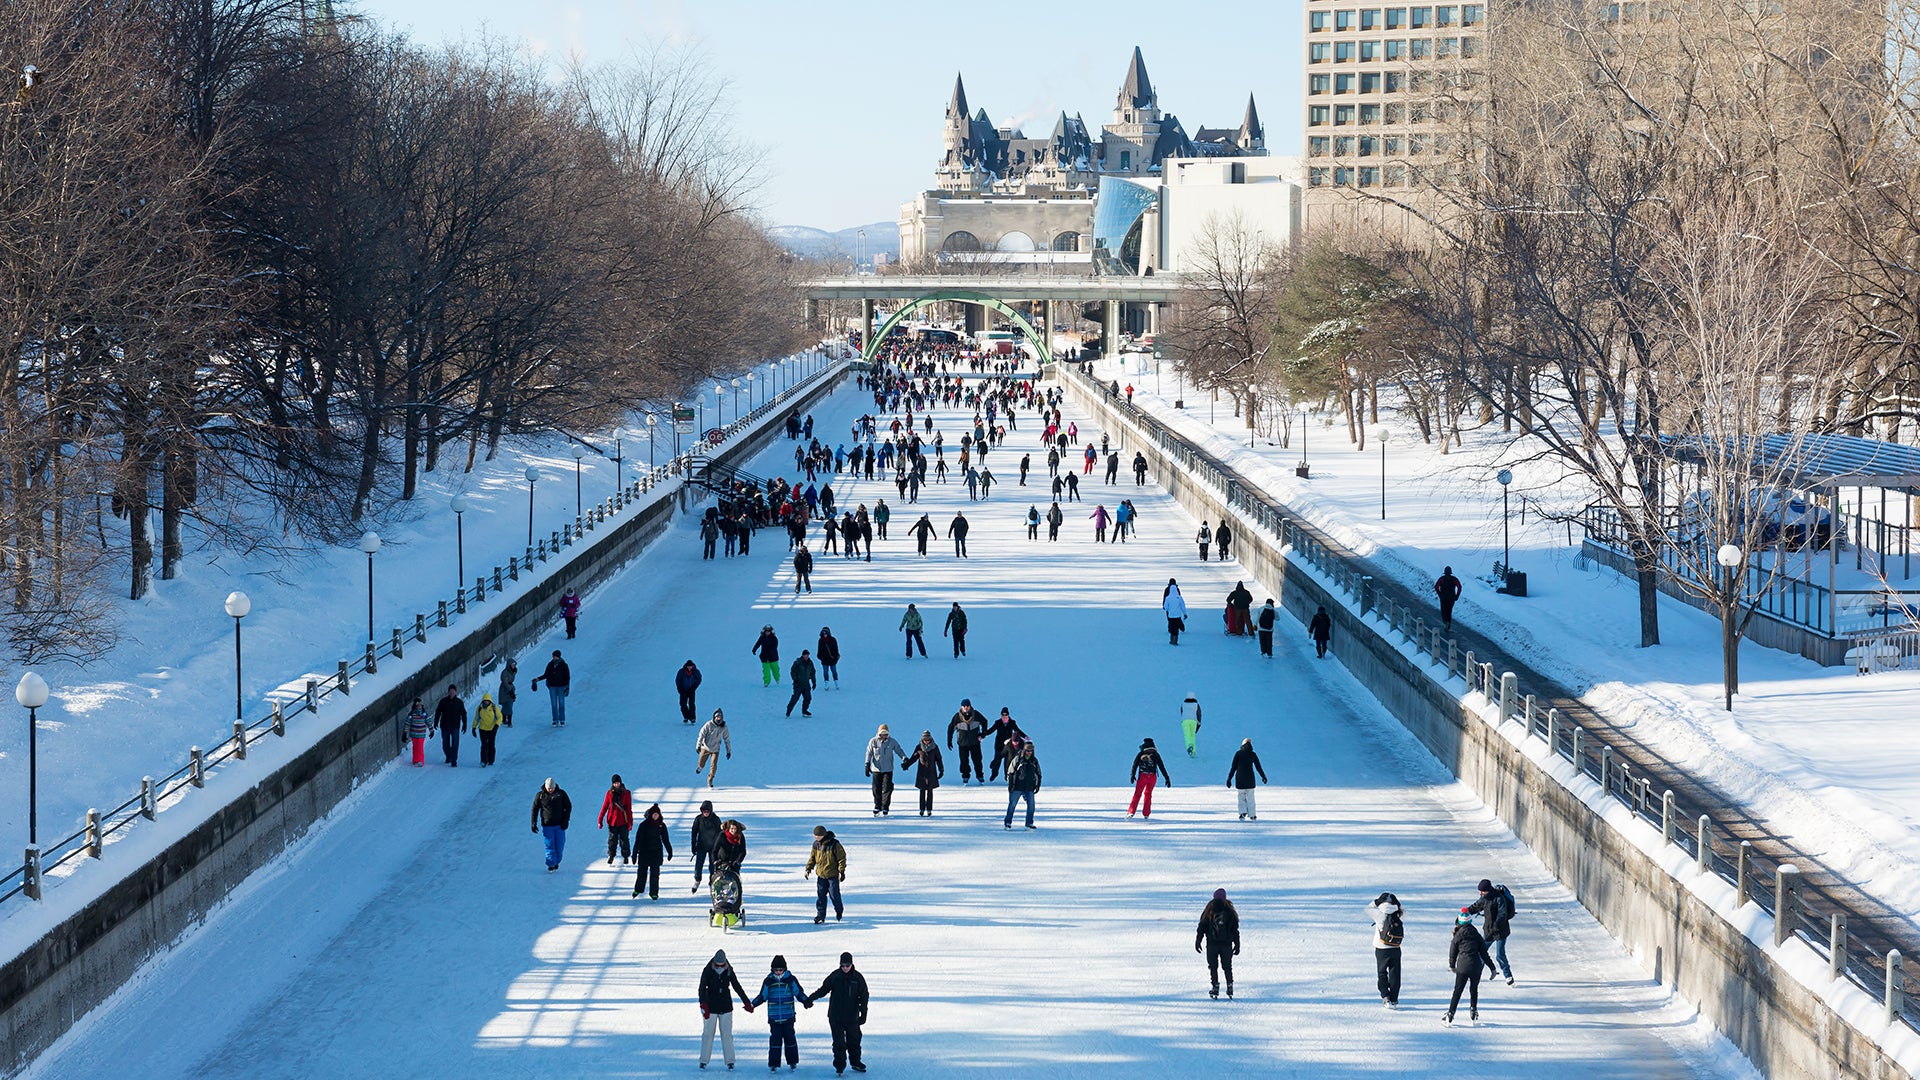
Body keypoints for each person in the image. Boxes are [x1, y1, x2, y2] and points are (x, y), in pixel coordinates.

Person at [806, 952, 869, 1076]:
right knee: (839, 1043)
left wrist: (864, 1013)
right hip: (836, 1017)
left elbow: (864, 996)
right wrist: (810, 998)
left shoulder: (858, 978)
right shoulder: (835, 976)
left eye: (847, 965)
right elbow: (823, 989)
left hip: (852, 1017)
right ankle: (839, 1066)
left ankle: (856, 1062)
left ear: (852, 964)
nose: (845, 968)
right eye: (843, 965)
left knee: (854, 1041)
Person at [752, 955, 813, 1071]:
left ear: (785, 969)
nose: (778, 972)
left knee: (790, 1039)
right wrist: (752, 1005)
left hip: (788, 1015)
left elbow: (798, 993)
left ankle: (793, 1061)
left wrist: (806, 1001)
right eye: (776, 970)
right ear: (772, 970)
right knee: (775, 1040)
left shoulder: (790, 980)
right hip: (774, 1017)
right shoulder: (768, 981)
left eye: (781, 970)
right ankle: (774, 1064)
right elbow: (762, 996)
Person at [698, 949, 754, 1069]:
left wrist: (746, 1001)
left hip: (726, 1007)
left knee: (727, 1035)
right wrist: (703, 1004)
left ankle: (730, 1061)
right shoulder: (707, 970)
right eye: (717, 965)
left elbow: (736, 986)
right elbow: (702, 988)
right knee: (708, 1034)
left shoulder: (729, 970)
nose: (719, 967)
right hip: (710, 1007)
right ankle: (703, 1061)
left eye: (722, 965)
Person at [1466, 878, 1517, 984]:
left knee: (1500, 955)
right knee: (1481, 953)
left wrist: (1495, 927)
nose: (1481, 893)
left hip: (1501, 932)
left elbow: (1502, 915)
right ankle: (1476, 974)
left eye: (1482, 891)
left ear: (1488, 889)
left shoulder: (1499, 898)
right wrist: (1465, 913)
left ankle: (1508, 976)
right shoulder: (1484, 898)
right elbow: (1475, 906)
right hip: (1488, 931)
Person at [1446, 908, 1490, 1025]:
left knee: (1458, 991)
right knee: (1473, 989)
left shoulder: (1458, 936)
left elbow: (1453, 952)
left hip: (1462, 967)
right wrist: (1492, 967)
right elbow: (1484, 953)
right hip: (1476, 966)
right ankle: (1473, 1011)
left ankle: (1450, 1014)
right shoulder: (1476, 934)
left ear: (1460, 922)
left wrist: (1452, 965)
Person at [1196, 888, 1241, 999]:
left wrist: (1198, 940)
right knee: (1227, 967)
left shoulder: (1209, 910)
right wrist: (1237, 944)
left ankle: (1215, 986)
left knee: (1213, 966)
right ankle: (1229, 986)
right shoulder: (1230, 911)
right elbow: (1235, 930)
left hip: (1212, 944)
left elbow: (1202, 927)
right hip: (1226, 944)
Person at [1369, 892, 1405, 1009]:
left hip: (1381, 949)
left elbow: (1368, 908)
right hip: (1395, 948)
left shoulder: (1379, 913)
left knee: (1382, 972)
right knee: (1395, 974)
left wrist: (1376, 901)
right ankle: (1394, 999)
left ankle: (1386, 997)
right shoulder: (1397, 913)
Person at [804, 825, 847, 924]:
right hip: (821, 875)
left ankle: (839, 911)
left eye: (818, 835)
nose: (816, 837)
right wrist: (808, 869)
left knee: (834, 895)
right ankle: (820, 915)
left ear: (823, 835)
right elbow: (812, 858)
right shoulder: (816, 845)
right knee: (821, 896)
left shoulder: (834, 844)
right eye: (815, 835)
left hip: (832, 875)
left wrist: (841, 871)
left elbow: (841, 858)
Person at [631, 802, 674, 898]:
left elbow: (665, 839)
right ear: (650, 815)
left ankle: (654, 893)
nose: (655, 816)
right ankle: (638, 890)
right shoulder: (644, 825)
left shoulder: (661, 825)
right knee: (642, 873)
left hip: (656, 853)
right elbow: (638, 840)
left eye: (657, 814)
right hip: (644, 852)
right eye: (654, 814)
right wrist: (634, 854)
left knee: (655, 875)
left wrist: (669, 851)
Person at [864, 724, 907, 816]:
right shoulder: (873, 741)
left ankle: (885, 807)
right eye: (882, 733)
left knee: (887, 788)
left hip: (888, 769)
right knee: (876, 789)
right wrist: (867, 764)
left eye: (886, 733)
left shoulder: (892, 742)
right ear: (878, 734)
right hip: (876, 769)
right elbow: (869, 752)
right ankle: (877, 806)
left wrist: (904, 758)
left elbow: (899, 750)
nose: (884, 736)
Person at [531, 777, 571, 873]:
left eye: (552, 788)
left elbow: (568, 806)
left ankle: (556, 861)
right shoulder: (540, 796)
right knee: (549, 845)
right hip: (547, 825)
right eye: (549, 788)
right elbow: (535, 809)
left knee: (559, 845)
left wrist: (566, 820)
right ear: (545, 787)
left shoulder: (561, 794)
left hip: (559, 825)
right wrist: (533, 822)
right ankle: (550, 864)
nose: (550, 790)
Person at [1128, 737, 1172, 819]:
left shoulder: (1141, 754)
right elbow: (1162, 767)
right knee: (1148, 794)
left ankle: (1131, 812)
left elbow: (1135, 765)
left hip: (1143, 776)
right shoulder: (1156, 754)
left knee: (1137, 794)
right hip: (1152, 777)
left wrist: (1132, 775)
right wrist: (1167, 778)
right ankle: (1146, 813)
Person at [904, 730, 945, 816]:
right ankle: (922, 809)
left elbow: (939, 759)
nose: (926, 741)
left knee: (930, 791)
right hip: (922, 773)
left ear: (930, 738)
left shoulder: (934, 747)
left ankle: (929, 809)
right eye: (925, 739)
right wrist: (907, 765)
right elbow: (914, 758)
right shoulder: (919, 747)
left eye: (928, 739)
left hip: (931, 773)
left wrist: (941, 769)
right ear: (922, 739)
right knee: (922, 791)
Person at [1003, 741, 1042, 830]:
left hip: (1029, 787)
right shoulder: (1018, 759)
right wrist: (1011, 785)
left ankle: (1029, 823)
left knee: (1031, 806)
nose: (1029, 753)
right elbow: (1011, 772)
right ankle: (1007, 822)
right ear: (1024, 750)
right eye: (1027, 750)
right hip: (1017, 787)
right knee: (1012, 804)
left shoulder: (1034, 761)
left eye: (1031, 751)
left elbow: (1038, 773)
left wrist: (1037, 785)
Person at [947, 699, 987, 784]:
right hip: (962, 744)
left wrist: (983, 734)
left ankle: (980, 776)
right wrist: (949, 741)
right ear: (961, 707)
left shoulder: (976, 714)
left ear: (970, 706)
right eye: (964, 706)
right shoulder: (957, 717)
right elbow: (950, 728)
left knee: (977, 760)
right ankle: (965, 776)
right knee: (964, 761)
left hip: (975, 743)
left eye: (967, 706)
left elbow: (984, 721)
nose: (966, 708)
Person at [1227, 739, 1268, 820]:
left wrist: (1229, 778)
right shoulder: (1253, 754)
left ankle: (1242, 813)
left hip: (1240, 779)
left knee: (1241, 797)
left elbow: (1233, 767)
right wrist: (1263, 776)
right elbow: (1258, 767)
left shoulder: (1238, 753)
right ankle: (1252, 815)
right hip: (1250, 779)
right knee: (1251, 798)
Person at [597, 774, 633, 866]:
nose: (616, 785)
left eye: (618, 783)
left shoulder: (627, 793)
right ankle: (611, 855)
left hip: (623, 821)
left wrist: (630, 822)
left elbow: (628, 809)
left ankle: (625, 856)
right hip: (612, 821)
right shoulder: (609, 794)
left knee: (624, 840)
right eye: (615, 783)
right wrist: (600, 819)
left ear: (620, 782)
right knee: (612, 840)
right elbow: (605, 807)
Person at [689, 799, 723, 892]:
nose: (706, 813)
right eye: (704, 811)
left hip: (713, 847)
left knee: (713, 866)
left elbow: (720, 833)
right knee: (698, 865)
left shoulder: (716, 819)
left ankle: (712, 882)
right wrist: (693, 845)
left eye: (707, 811)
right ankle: (697, 879)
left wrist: (719, 846)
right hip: (701, 845)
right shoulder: (698, 819)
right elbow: (694, 832)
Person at [531, 650, 570, 726]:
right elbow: (546, 674)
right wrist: (538, 679)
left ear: (558, 656)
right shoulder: (550, 664)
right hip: (552, 687)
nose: (553, 657)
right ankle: (555, 720)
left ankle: (562, 719)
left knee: (561, 704)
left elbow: (567, 677)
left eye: (555, 656)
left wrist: (567, 686)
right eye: (553, 656)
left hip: (561, 687)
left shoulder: (564, 665)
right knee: (554, 704)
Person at [988, 708, 1026, 781]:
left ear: (1008, 715)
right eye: (1003, 715)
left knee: (1007, 763)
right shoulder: (998, 723)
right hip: (999, 746)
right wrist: (983, 734)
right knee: (997, 761)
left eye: (1006, 715)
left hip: (1008, 746)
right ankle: (994, 774)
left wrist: (1025, 737)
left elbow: (1017, 731)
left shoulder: (1012, 723)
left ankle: (1007, 776)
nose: (1004, 717)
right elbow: (990, 730)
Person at [696, 709, 731, 787]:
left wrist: (728, 751)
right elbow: (701, 734)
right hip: (706, 747)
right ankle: (700, 767)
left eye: (720, 717)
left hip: (715, 749)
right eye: (717, 717)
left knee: (714, 765)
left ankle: (710, 780)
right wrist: (698, 745)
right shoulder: (709, 724)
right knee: (701, 762)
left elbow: (727, 739)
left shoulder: (724, 727)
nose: (719, 719)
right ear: (714, 717)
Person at [433, 684, 466, 767]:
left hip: (455, 726)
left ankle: (454, 760)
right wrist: (436, 722)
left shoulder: (459, 702)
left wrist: (464, 725)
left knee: (455, 744)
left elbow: (463, 714)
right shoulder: (443, 701)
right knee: (445, 744)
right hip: (445, 726)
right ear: (448, 692)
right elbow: (438, 712)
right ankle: (448, 756)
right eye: (450, 691)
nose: (452, 693)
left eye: (453, 691)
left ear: (455, 692)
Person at [471, 692, 504, 766]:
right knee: (484, 745)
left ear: (490, 701)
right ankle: (483, 760)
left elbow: (500, 717)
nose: (486, 702)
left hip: (492, 729)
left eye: (488, 700)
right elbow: (476, 718)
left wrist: (496, 725)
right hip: (482, 729)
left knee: (491, 745)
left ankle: (491, 760)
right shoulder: (479, 708)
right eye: (485, 700)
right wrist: (474, 727)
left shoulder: (494, 708)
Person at [786, 649, 817, 717]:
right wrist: (795, 680)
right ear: (803, 655)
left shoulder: (810, 663)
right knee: (795, 698)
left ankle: (804, 711)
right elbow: (792, 672)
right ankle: (788, 711)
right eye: (805, 655)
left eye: (808, 655)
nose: (807, 656)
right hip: (798, 684)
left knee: (808, 698)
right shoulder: (798, 662)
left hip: (806, 684)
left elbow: (813, 672)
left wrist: (814, 682)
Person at [405, 698, 430, 767]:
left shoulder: (424, 714)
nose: (419, 707)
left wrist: (431, 730)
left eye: (420, 705)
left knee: (420, 747)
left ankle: (420, 760)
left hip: (421, 733)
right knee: (415, 746)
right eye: (418, 705)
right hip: (413, 733)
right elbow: (407, 723)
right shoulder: (412, 714)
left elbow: (428, 722)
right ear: (415, 706)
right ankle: (415, 759)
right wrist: (405, 732)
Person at [1163, 579, 1188, 645]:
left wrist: (1166, 608)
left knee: (1172, 626)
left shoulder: (1168, 597)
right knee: (1176, 627)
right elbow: (1182, 605)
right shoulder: (1179, 597)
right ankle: (1175, 640)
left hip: (1170, 614)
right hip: (1177, 614)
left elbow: (1165, 604)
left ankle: (1172, 640)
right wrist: (1184, 613)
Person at [1180, 693, 1203, 757]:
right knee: (1193, 735)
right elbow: (1199, 714)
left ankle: (1189, 746)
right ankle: (1193, 752)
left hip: (1185, 721)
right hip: (1194, 721)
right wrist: (1199, 722)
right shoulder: (1196, 705)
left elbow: (1181, 712)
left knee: (1187, 735)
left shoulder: (1183, 704)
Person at [497, 659, 518, 726]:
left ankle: (509, 721)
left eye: (514, 665)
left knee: (509, 705)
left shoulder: (513, 672)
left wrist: (512, 690)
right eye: (512, 665)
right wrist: (510, 691)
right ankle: (503, 718)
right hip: (504, 691)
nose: (514, 666)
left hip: (510, 689)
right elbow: (505, 682)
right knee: (505, 705)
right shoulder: (505, 673)